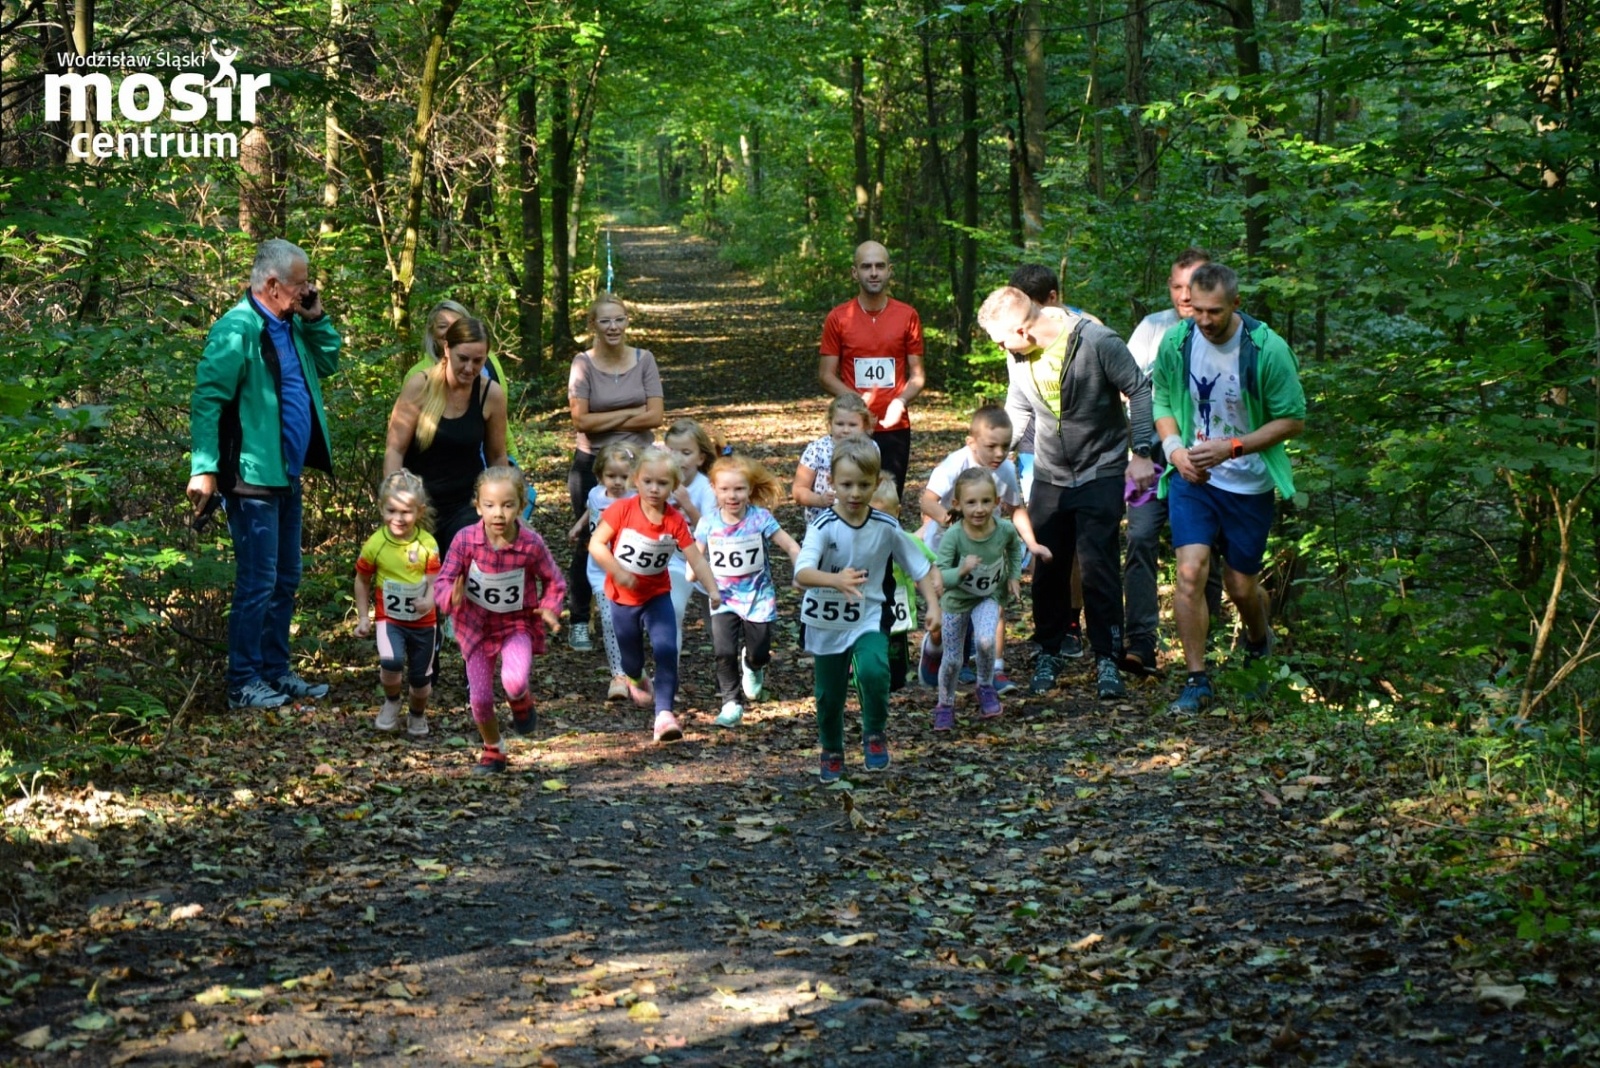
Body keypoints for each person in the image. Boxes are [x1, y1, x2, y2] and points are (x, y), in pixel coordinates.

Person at [980, 286, 1153, 702]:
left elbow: (1140, 389)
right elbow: (1018, 408)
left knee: (1098, 566)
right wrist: (998, 457)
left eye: (1003, 340)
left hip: (1102, 467)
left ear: (1023, 328)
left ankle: (1107, 658)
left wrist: (1142, 451)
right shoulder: (1018, 355)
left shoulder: (1097, 342)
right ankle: (1049, 650)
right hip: (1050, 473)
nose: (1002, 348)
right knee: (1047, 564)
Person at [187, 238, 340, 711]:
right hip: (250, 476)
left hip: (285, 473)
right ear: (273, 285)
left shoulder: (291, 325)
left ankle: (275, 671)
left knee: (287, 578)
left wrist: (316, 318)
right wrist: (204, 469)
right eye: (300, 283)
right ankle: (243, 681)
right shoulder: (237, 329)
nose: (307, 289)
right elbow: (207, 401)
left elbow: (329, 363)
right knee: (258, 580)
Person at [1151, 263, 1306, 713]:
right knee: (1190, 573)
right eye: (1196, 310)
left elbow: (1292, 419)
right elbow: (1161, 397)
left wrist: (1233, 448)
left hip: (1248, 482)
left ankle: (1258, 643)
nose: (1203, 320)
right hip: (1192, 477)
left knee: (1241, 586)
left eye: (1214, 311)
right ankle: (1196, 679)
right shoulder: (1178, 341)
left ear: (1236, 304)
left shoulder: (1267, 349)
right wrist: (1175, 449)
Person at [795, 436, 940, 782]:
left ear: (876, 484)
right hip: (826, 621)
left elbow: (919, 567)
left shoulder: (887, 527)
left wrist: (933, 605)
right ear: (831, 483)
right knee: (829, 695)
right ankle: (831, 749)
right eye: (846, 485)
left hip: (869, 615)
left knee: (875, 671)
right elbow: (801, 573)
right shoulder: (822, 526)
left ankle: (874, 733)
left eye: (863, 484)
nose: (855, 493)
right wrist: (835, 580)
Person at [1121, 247, 1222, 675]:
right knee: (1141, 538)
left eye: (1193, 285)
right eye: (1178, 286)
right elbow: (1126, 392)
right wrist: (1135, 453)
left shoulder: (1226, 333)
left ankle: (1207, 642)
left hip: (1208, 459)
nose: (1185, 295)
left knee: (1207, 551)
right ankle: (1140, 642)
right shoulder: (1150, 329)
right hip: (1149, 458)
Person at [434, 466, 566, 775]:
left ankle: (521, 701)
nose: (498, 513)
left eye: (507, 505)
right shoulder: (465, 540)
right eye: (490, 505)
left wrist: (550, 606)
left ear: (521, 506)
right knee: (479, 699)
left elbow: (554, 581)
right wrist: (447, 597)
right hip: (475, 629)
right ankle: (493, 750)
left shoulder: (531, 544)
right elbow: (444, 579)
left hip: (515, 626)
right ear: (478, 505)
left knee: (514, 680)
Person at [589, 446, 723, 743]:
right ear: (636, 480)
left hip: (657, 595)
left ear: (673, 487)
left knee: (666, 649)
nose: (654, 489)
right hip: (622, 599)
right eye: (648, 481)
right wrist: (619, 572)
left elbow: (696, 558)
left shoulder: (673, 519)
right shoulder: (621, 510)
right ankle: (636, 677)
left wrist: (713, 588)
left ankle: (664, 715)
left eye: (662, 484)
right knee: (631, 660)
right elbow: (596, 545)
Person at [916, 405, 1046, 694]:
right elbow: (927, 500)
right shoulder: (954, 465)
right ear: (971, 442)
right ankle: (937, 646)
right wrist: (950, 521)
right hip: (946, 551)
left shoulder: (1006, 470)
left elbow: (1015, 509)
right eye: (991, 446)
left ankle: (996, 670)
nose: (999, 453)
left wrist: (1032, 543)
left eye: (1005, 446)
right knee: (950, 611)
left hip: (989, 553)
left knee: (995, 608)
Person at [567, 294, 665, 654]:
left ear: (627, 322)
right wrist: (629, 413)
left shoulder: (644, 359)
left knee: (644, 538)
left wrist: (606, 417)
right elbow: (581, 421)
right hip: (592, 464)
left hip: (641, 466)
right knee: (589, 542)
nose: (613, 327)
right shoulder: (583, 364)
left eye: (619, 320)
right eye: (605, 321)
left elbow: (655, 415)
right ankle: (579, 619)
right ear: (592, 325)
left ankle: (638, 614)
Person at [1008, 265, 1094, 656]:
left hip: (1080, 453)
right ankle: (1048, 626)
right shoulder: (1011, 327)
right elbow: (1017, 394)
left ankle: (1072, 623)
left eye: (1035, 308)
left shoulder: (1087, 329)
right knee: (1041, 537)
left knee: (1074, 542)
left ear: (1054, 298)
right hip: (1032, 444)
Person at [384, 316, 509, 560]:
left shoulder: (490, 394)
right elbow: (395, 450)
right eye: (463, 358)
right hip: (418, 505)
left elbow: (497, 456)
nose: (469, 368)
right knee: (419, 584)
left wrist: (503, 505)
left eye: (478, 361)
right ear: (446, 349)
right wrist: (396, 499)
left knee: (461, 572)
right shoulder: (420, 385)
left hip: (466, 506)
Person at [695, 454, 803, 728]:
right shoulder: (708, 523)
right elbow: (696, 555)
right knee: (723, 651)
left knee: (760, 650)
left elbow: (790, 545)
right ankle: (730, 702)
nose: (732, 496)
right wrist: (692, 571)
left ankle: (753, 665)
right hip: (723, 597)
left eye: (739, 489)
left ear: (750, 490)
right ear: (714, 490)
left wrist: (799, 569)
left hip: (758, 597)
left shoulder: (760, 518)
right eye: (725, 489)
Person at [818, 241, 925, 496]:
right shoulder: (838, 317)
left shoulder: (907, 315)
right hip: (852, 426)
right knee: (850, 498)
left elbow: (918, 376)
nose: (873, 273)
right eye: (866, 267)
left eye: (879, 266)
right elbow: (825, 375)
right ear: (855, 272)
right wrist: (856, 401)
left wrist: (900, 401)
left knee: (888, 500)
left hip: (894, 425)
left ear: (890, 270)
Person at [930, 469, 1024, 730]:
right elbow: (940, 577)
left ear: (996, 502)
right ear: (958, 505)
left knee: (984, 641)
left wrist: (1014, 577)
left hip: (989, 595)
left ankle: (985, 686)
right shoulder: (954, 536)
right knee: (952, 659)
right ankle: (945, 704)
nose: (979, 509)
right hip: (957, 601)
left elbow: (1014, 547)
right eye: (971, 502)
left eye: (986, 501)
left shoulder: (1003, 529)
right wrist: (961, 570)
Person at [354, 470, 441, 737]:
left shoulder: (427, 544)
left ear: (419, 511)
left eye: (406, 512)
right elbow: (362, 580)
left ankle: (417, 714)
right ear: (381, 508)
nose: (398, 518)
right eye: (392, 510)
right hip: (389, 619)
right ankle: (392, 702)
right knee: (391, 664)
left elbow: (435, 580)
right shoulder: (375, 544)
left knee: (420, 681)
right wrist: (363, 616)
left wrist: (428, 600)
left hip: (424, 623)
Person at [569, 442, 639, 702]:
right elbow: (591, 510)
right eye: (611, 476)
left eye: (624, 476)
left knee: (631, 621)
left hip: (631, 569)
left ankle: (635, 669)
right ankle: (618, 675)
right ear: (600, 476)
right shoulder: (597, 494)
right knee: (609, 620)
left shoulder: (635, 499)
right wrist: (578, 527)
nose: (618, 482)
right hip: (600, 569)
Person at [663, 417, 722, 634]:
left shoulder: (706, 487)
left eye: (685, 453)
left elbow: (712, 530)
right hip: (675, 559)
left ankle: (726, 660)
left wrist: (687, 505)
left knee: (716, 618)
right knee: (673, 610)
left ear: (700, 458)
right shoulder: (660, 483)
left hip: (708, 560)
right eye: (671, 451)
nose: (677, 459)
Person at [794, 393, 874, 524]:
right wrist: (819, 500)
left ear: (864, 425)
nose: (846, 430)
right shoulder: (817, 450)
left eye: (852, 425)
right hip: (824, 524)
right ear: (830, 422)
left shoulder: (871, 448)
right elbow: (798, 490)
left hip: (860, 522)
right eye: (840, 424)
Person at [405, 299, 510, 386]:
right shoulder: (416, 375)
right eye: (442, 326)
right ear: (432, 331)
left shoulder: (488, 360)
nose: (450, 331)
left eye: (457, 325)